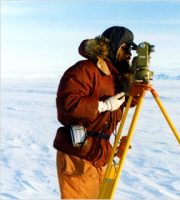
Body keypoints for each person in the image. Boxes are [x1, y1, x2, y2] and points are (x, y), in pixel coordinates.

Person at [53, 26, 137, 199]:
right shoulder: (85, 69)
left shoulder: (114, 77)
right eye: (126, 48)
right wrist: (103, 106)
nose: (130, 54)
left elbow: (131, 101)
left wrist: (134, 80)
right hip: (78, 155)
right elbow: (67, 106)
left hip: (100, 155)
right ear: (114, 46)